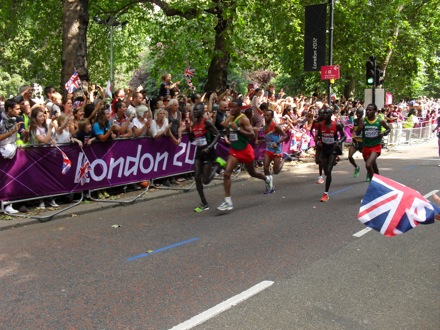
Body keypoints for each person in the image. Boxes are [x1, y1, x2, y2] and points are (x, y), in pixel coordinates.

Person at [217, 99, 273, 211]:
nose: (231, 109)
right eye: (230, 107)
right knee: (227, 174)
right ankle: (228, 202)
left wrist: (237, 129)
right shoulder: (231, 116)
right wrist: (226, 121)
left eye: (233, 107)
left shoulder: (243, 119)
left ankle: (267, 178)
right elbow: (223, 125)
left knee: (252, 173)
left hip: (245, 150)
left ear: (239, 108)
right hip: (234, 150)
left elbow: (252, 134)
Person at [185, 103, 221, 212]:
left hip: (208, 152)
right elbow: (192, 140)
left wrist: (210, 147)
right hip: (199, 152)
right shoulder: (194, 123)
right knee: (196, 176)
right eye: (194, 110)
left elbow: (218, 134)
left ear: (202, 111)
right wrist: (188, 130)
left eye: (197, 110)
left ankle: (217, 166)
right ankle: (204, 203)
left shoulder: (207, 122)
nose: (194, 111)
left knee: (205, 181)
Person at [315, 107, 346, 202]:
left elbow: (344, 136)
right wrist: (318, 142)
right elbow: (318, 136)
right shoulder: (320, 125)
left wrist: (339, 141)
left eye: (327, 113)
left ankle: (325, 193)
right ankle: (332, 162)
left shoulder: (336, 125)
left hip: (333, 149)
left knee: (328, 171)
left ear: (331, 114)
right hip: (324, 149)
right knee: (325, 171)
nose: (324, 115)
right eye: (323, 113)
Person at [356, 103, 391, 182]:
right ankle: (379, 181)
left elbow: (388, 129)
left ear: (375, 111)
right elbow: (357, 133)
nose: (368, 111)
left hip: (375, 146)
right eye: (367, 110)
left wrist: (383, 133)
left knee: (368, 165)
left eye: (370, 110)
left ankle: (373, 184)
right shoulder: (363, 120)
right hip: (366, 146)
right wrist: (359, 128)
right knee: (373, 166)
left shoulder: (380, 120)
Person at [262, 109, 288, 194]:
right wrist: (259, 141)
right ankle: (269, 186)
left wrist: (277, 142)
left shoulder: (276, 126)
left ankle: (284, 158)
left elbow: (285, 135)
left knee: (276, 171)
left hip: (276, 150)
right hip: (268, 149)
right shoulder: (265, 126)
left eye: (268, 115)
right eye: (265, 115)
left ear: (272, 117)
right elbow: (267, 138)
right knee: (265, 167)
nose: (266, 117)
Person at [348, 108, 364, 178]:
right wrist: (353, 129)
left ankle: (369, 173)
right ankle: (356, 167)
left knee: (367, 159)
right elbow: (355, 129)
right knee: (350, 156)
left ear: (362, 114)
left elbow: (361, 128)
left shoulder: (364, 120)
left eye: (360, 113)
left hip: (363, 142)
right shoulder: (355, 120)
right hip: (355, 141)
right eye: (357, 113)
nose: (358, 114)